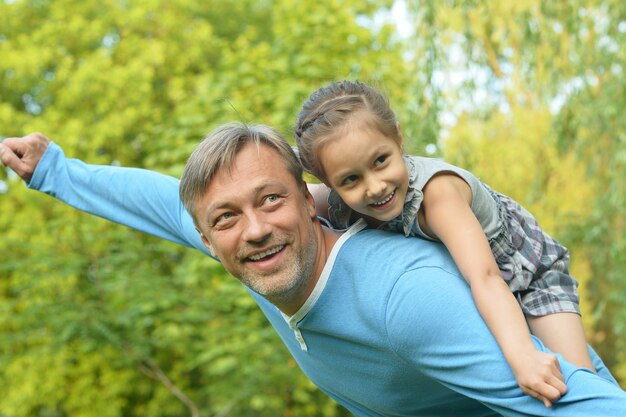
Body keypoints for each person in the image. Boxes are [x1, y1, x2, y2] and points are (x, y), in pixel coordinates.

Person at [1, 128, 625, 417]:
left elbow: (587, 406)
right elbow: (154, 198)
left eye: (271, 200)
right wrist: (53, 171)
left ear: (312, 199)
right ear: (205, 236)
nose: (254, 228)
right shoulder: (248, 244)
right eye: (226, 217)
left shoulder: (403, 294)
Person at [294, 80, 593, 405]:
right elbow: (273, 197)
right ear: (327, 182)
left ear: (398, 136)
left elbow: (486, 277)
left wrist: (523, 354)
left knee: (577, 391)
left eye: (381, 160)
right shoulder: (339, 199)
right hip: (467, 283)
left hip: (527, 276)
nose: (376, 186)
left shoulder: (437, 195)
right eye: (351, 179)